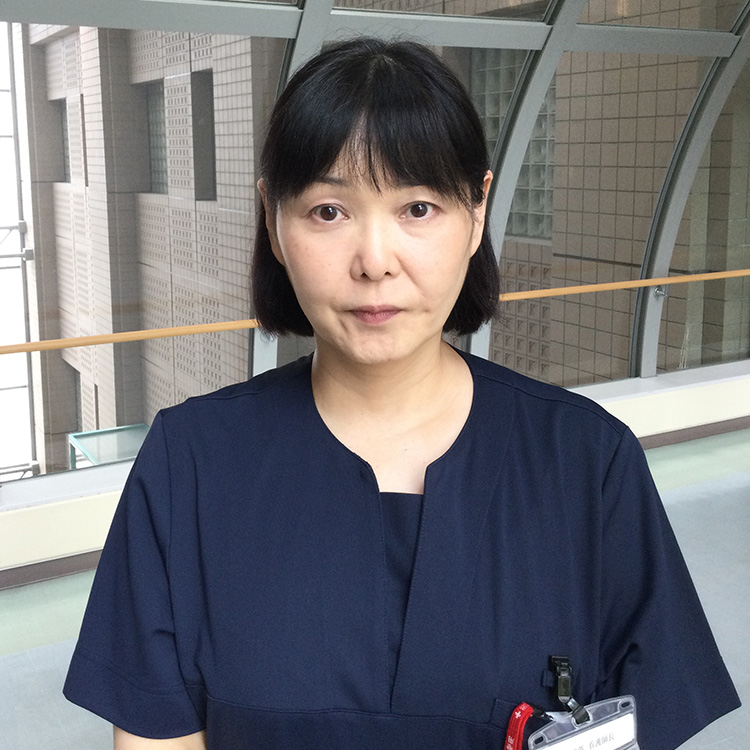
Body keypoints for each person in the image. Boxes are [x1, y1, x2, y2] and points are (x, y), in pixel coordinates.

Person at [64, 38, 740, 750]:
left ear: (477, 212)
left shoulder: (587, 464)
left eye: (418, 208)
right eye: (329, 211)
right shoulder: (191, 465)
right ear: (273, 220)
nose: (375, 262)